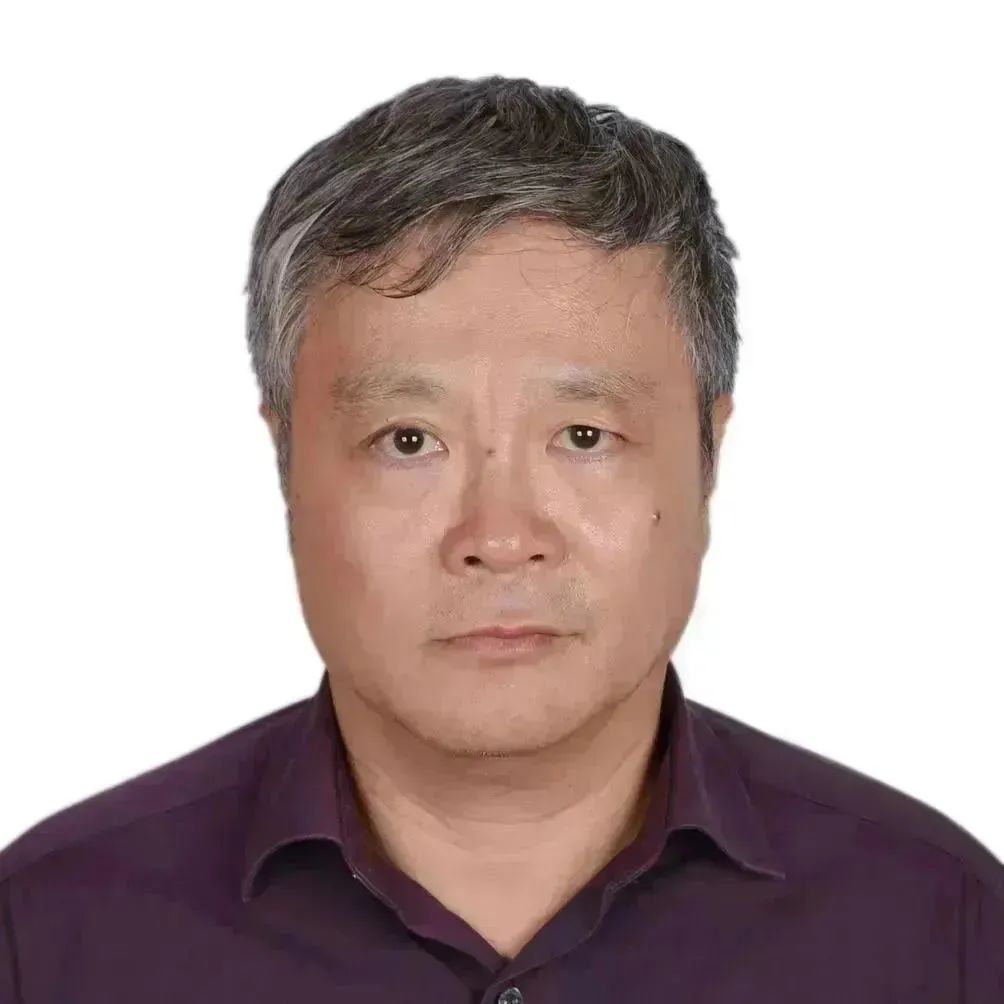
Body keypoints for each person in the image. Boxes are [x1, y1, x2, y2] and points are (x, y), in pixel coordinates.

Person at [1, 74, 1001, 1002]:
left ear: (707, 458)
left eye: (583, 436)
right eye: (408, 440)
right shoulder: (50, 938)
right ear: (287, 463)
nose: (500, 537)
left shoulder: (939, 928)